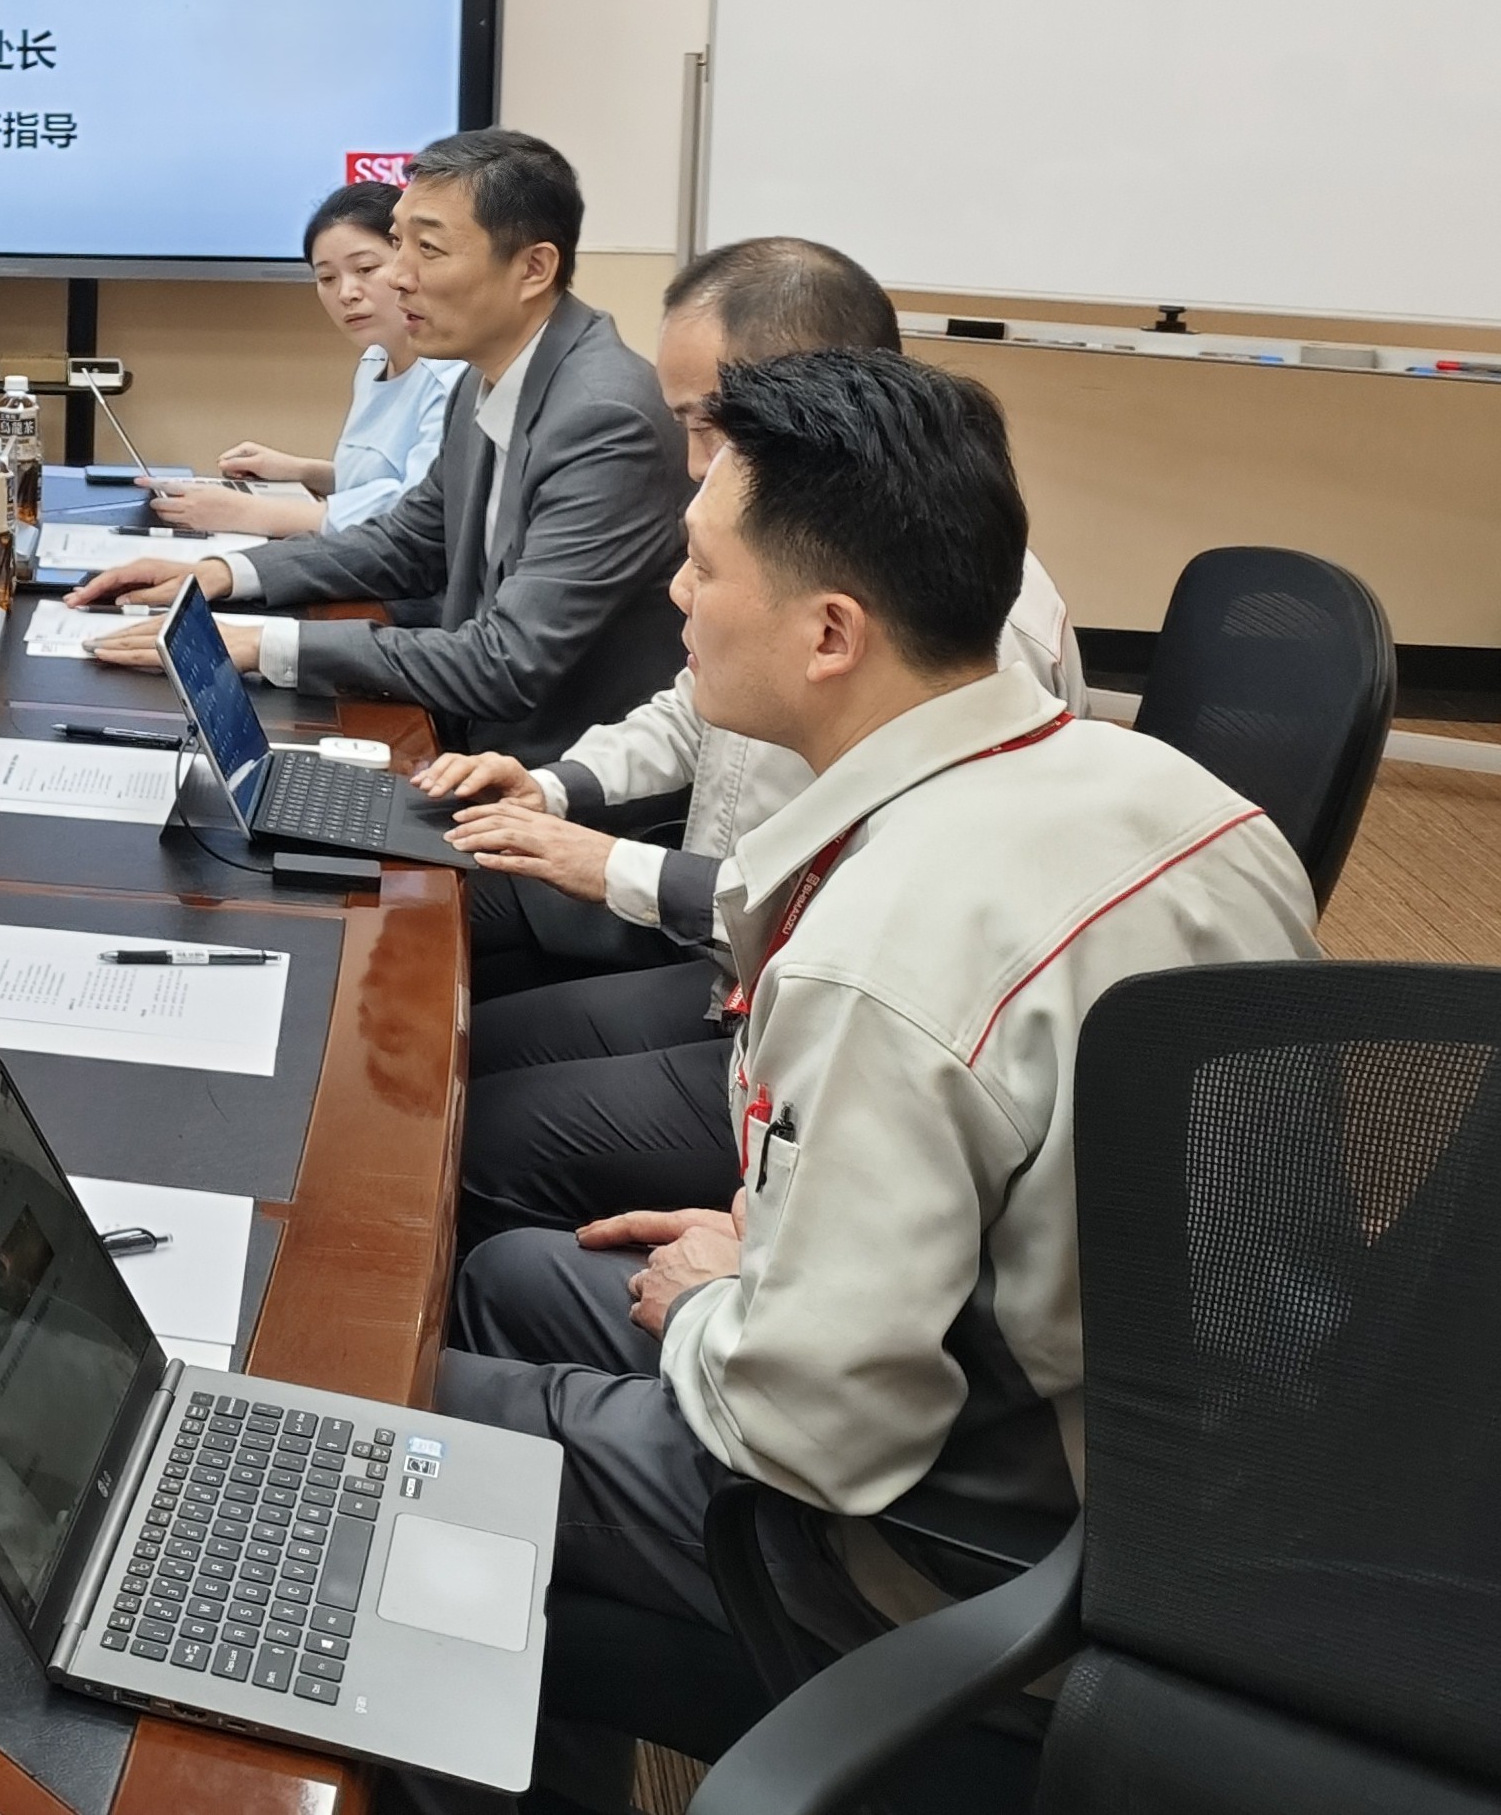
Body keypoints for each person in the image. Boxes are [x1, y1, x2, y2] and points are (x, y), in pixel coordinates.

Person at [421, 350, 1314, 1807]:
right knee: (509, 1277)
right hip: (1192, 1464)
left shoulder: (875, 956)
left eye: (703, 567)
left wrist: (715, 1300)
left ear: (830, 632)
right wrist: (769, 1261)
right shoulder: (1184, 800)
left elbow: (816, 1434)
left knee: (392, 1431)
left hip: (969, 1556)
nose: (675, 597)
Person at [429, 237, 1081, 1019]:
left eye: (710, 424)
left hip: (823, 1014)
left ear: (817, 397)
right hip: (737, 958)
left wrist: (611, 866)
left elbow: (871, 912)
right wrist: (552, 787)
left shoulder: (967, 619)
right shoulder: (783, 542)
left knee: (479, 1060)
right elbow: (691, 712)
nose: (695, 463)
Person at [68, 128, 688, 764]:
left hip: (547, 777)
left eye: (428, 249)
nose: (396, 275)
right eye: (398, 243)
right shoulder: (485, 375)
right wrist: (222, 574)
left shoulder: (605, 419)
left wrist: (260, 645)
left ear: (533, 268)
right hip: (469, 743)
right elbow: (409, 542)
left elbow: (507, 661)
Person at [142, 179, 463, 540]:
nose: (346, 293)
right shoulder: (374, 360)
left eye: (365, 269)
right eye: (326, 277)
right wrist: (302, 471)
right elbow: (375, 482)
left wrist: (248, 512)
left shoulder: (452, 376)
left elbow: (416, 509)